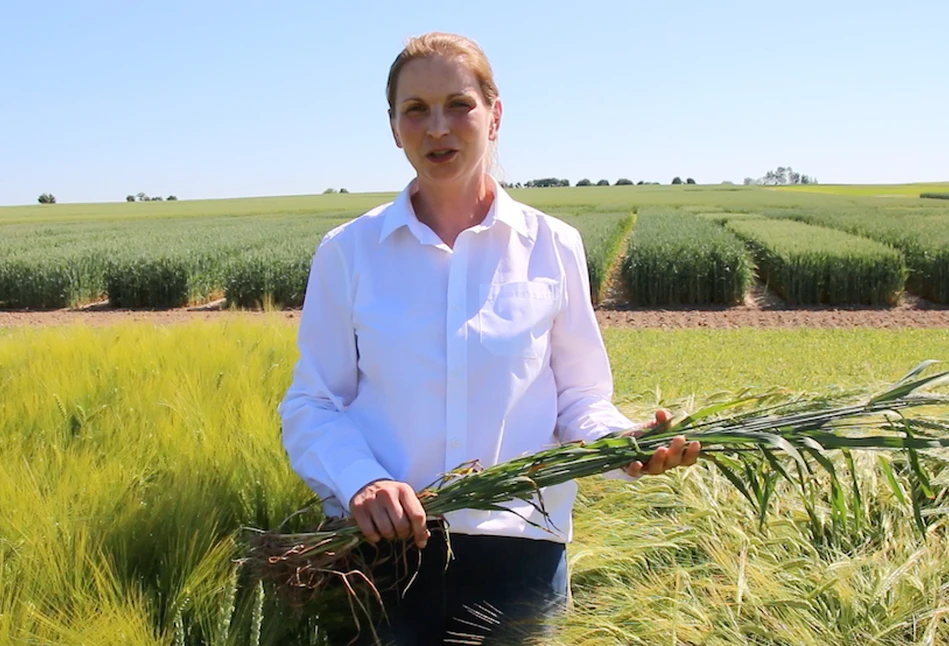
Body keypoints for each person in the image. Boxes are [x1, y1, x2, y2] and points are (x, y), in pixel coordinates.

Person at [278, 32, 701, 645]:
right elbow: (312, 402)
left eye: (459, 104)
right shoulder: (349, 253)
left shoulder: (553, 245)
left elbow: (578, 397)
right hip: (383, 558)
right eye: (415, 109)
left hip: (520, 555)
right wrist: (361, 482)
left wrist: (619, 444)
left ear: (494, 114)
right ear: (394, 128)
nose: (437, 127)